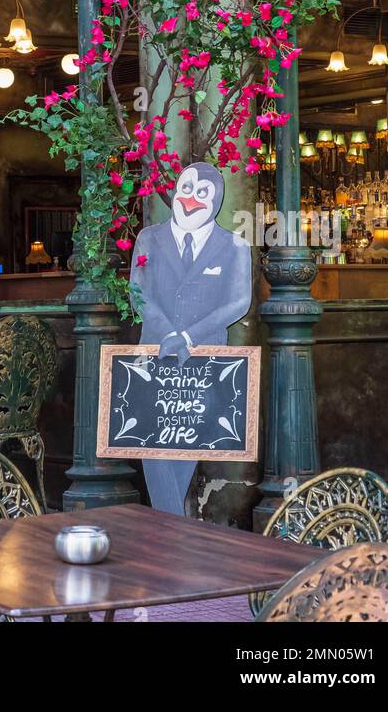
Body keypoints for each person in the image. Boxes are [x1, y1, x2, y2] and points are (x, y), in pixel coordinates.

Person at [129, 162, 252, 516]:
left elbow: (238, 301)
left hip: (205, 359)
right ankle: (173, 527)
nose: (191, 199)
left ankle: (167, 528)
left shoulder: (234, 246)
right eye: (186, 189)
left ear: (215, 200)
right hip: (153, 355)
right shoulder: (148, 238)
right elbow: (137, 290)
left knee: (187, 440)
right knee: (151, 440)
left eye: (201, 193)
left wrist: (185, 336)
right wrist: (167, 332)